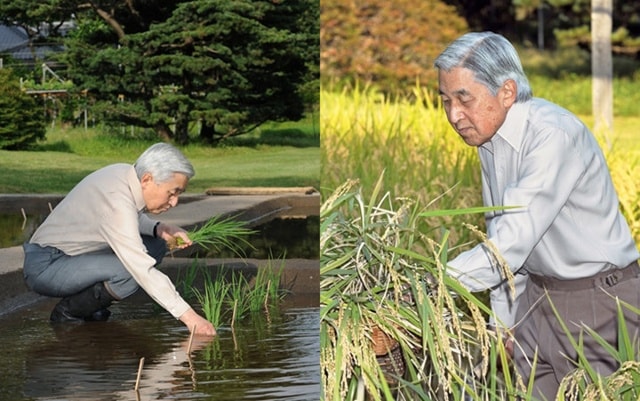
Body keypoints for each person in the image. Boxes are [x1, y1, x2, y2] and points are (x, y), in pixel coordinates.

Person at [434, 32, 640, 400]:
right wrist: (504, 324)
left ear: (507, 92)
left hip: (600, 302)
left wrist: (429, 282)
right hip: (536, 301)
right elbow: (497, 233)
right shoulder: (489, 140)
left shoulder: (552, 135)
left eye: (464, 99)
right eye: (446, 101)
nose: (454, 115)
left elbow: (510, 244)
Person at [23, 142, 216, 337]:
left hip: (73, 257)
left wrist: (160, 228)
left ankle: (91, 304)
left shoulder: (125, 174)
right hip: (47, 266)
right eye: (172, 193)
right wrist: (191, 318)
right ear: (147, 179)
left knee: (156, 244)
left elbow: (130, 216)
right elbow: (141, 267)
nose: (174, 202)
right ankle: (67, 313)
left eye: (179, 194)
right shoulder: (116, 198)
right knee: (130, 271)